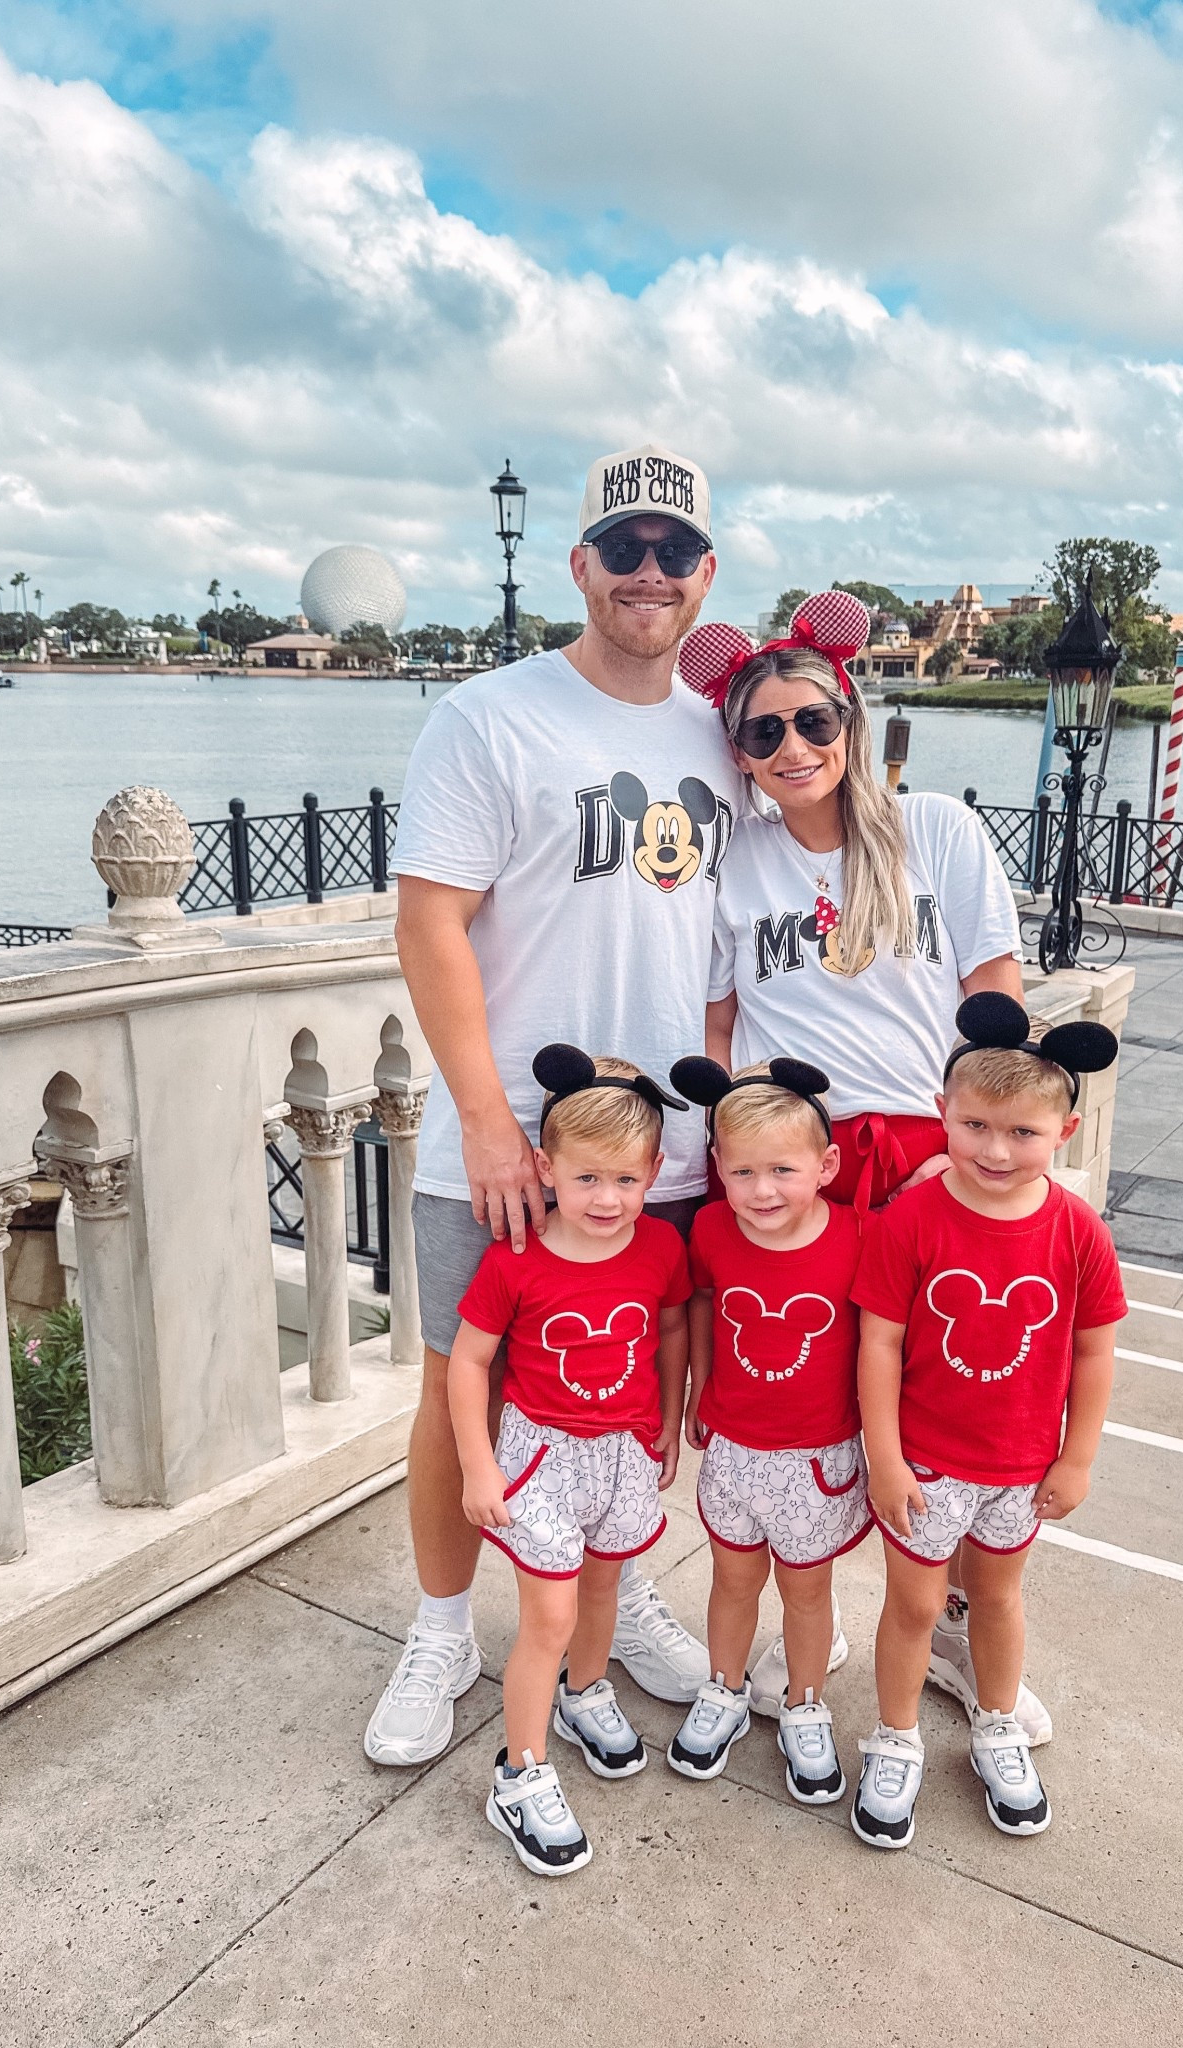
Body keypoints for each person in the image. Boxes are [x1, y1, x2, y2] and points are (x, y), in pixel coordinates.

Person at [368, 444, 742, 1770]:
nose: (648, 573)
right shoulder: (488, 716)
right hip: (515, 1138)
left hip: (671, 1148)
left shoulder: (726, 736)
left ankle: (618, 1593)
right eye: (623, 548)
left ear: (706, 576)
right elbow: (432, 924)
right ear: (580, 564)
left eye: (674, 552)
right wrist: (481, 1115)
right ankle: (440, 1628)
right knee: (455, 1389)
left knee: (635, 1384)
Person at [677, 591, 1049, 1743]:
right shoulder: (735, 864)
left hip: (933, 1160)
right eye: (763, 732)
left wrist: (994, 1154)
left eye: (813, 723)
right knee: (827, 1387)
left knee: (947, 1398)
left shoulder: (934, 829)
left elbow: (993, 993)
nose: (792, 748)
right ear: (737, 747)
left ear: (850, 717)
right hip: (813, 1163)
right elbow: (719, 1028)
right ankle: (815, 1607)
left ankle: (944, 1625)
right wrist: (726, 1150)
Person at [849, 994, 1126, 1849]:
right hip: (926, 1464)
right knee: (914, 1603)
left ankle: (997, 1723)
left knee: (999, 1598)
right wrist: (885, 1458)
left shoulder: (1077, 1231)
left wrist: (1076, 1459)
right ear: (943, 1116)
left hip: (1019, 1465)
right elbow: (881, 1346)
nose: (995, 1151)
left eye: (1022, 1133)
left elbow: (1093, 1353)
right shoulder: (913, 1221)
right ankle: (894, 1739)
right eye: (974, 1126)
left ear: (1064, 1133)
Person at [449, 1046, 691, 1876]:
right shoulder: (516, 1258)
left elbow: (668, 1329)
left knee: (603, 1590)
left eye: (626, 1180)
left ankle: (584, 1694)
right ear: (547, 1166)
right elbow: (468, 1362)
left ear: (655, 1170)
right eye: (587, 1179)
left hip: (622, 1453)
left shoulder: (659, 1247)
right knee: (547, 1618)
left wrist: (669, 1414)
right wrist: (479, 1467)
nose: (607, 1198)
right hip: (542, 1457)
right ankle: (520, 1773)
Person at [663, 1056, 869, 1804]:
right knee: (732, 1579)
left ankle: (804, 1703)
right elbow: (703, 1308)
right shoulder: (713, 1229)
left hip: (818, 1455)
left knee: (808, 1594)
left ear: (826, 1165)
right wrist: (697, 1389)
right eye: (743, 1171)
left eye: (782, 1169)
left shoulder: (855, 1235)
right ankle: (724, 1688)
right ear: (717, 1166)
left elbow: (881, 1342)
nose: (762, 1190)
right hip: (735, 1449)